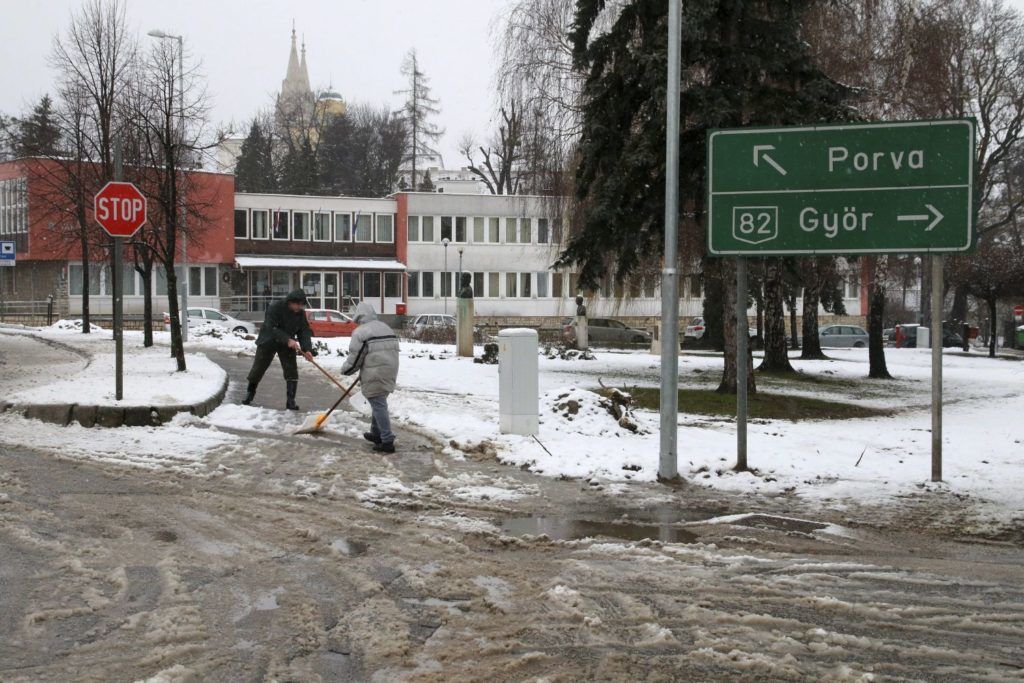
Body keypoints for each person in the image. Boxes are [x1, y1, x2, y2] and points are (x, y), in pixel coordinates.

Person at [341, 302, 400, 453]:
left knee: (378, 404)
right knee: (378, 401)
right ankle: (376, 434)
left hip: (375, 372)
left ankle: (387, 441)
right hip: (390, 370)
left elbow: (356, 357)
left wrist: (346, 370)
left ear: (359, 316)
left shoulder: (361, 332)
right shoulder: (386, 327)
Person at [242, 288, 314, 410]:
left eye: (302, 305)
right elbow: (272, 327)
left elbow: (304, 331)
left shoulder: (300, 313)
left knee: (291, 370)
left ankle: (291, 401)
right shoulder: (275, 307)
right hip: (269, 340)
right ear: (291, 301)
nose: (299, 308)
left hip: (287, 344)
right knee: (259, 368)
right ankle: (250, 393)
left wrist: (307, 349)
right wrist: (287, 339)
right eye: (298, 304)